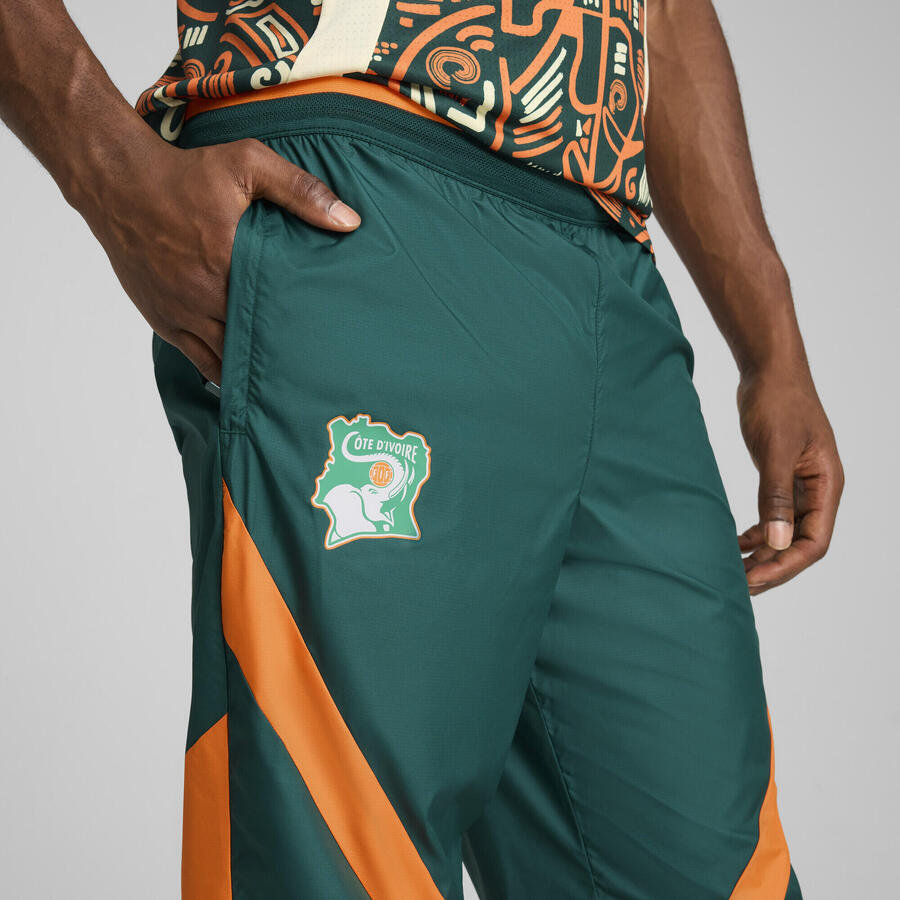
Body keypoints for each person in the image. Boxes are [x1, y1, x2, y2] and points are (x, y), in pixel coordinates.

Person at [0, 2, 843, 898]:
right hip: (360, 192)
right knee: (339, 857)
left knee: (712, 869)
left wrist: (773, 344)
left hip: (610, 268)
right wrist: (110, 167)